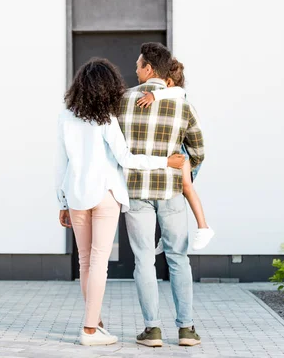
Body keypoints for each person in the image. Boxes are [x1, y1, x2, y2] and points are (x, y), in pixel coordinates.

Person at [55, 58, 186, 346]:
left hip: (76, 195)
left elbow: (60, 165)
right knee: (99, 262)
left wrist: (62, 201)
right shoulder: (106, 119)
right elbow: (126, 159)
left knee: (85, 262)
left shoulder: (66, 117)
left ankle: (96, 322)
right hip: (105, 194)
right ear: (108, 88)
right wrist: (165, 161)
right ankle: (90, 330)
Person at [118, 43, 205, 347]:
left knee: (143, 259)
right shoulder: (184, 105)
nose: (136, 69)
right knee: (178, 258)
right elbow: (198, 150)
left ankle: (152, 330)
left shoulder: (123, 101)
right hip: (170, 191)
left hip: (136, 190)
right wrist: (186, 177)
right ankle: (186, 330)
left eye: (139, 65)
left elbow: (114, 150)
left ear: (149, 70)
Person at [136, 58, 214, 253]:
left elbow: (178, 91)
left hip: (182, 153)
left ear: (168, 82)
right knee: (181, 193)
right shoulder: (174, 97)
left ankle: (204, 227)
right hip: (177, 154)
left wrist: (154, 96)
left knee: (186, 187)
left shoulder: (177, 96)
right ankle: (167, 235)